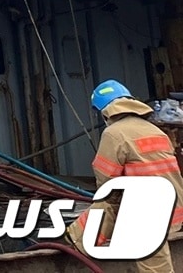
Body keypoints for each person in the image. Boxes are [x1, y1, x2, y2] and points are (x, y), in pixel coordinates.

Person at [69, 79, 183, 273]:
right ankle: (75, 240)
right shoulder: (155, 130)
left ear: (105, 111)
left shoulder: (114, 133)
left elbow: (107, 186)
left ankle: (75, 242)